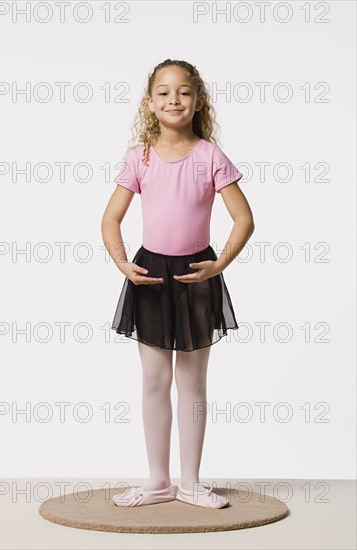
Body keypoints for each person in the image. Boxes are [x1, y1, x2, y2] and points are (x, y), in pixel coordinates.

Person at [101, 59, 255, 508]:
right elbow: (110, 219)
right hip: (149, 276)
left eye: (184, 92)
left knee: (192, 380)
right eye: (164, 92)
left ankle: (190, 482)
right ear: (150, 103)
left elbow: (243, 219)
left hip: (196, 275)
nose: (174, 99)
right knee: (153, 378)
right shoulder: (141, 156)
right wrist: (122, 263)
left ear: (198, 100)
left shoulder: (210, 156)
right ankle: (156, 481)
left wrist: (217, 265)